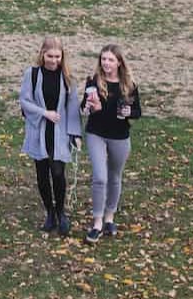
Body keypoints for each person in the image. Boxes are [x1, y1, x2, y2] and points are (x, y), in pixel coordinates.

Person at [18, 37, 83, 234]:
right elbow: (25, 101)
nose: (53, 60)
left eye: (57, 56)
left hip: (59, 132)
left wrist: (75, 134)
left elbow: (72, 108)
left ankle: (61, 212)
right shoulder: (33, 74)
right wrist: (44, 113)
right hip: (39, 130)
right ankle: (50, 213)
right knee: (42, 174)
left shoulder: (67, 78)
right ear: (42, 54)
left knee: (57, 172)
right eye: (50, 56)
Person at [81, 44, 142, 243]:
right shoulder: (93, 81)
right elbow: (84, 107)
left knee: (114, 176)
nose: (106, 63)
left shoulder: (129, 84)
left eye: (110, 60)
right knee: (100, 177)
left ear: (119, 63)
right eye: (103, 59)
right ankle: (97, 222)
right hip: (96, 133)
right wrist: (89, 107)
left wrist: (128, 113)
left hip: (119, 135)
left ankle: (109, 217)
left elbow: (137, 112)